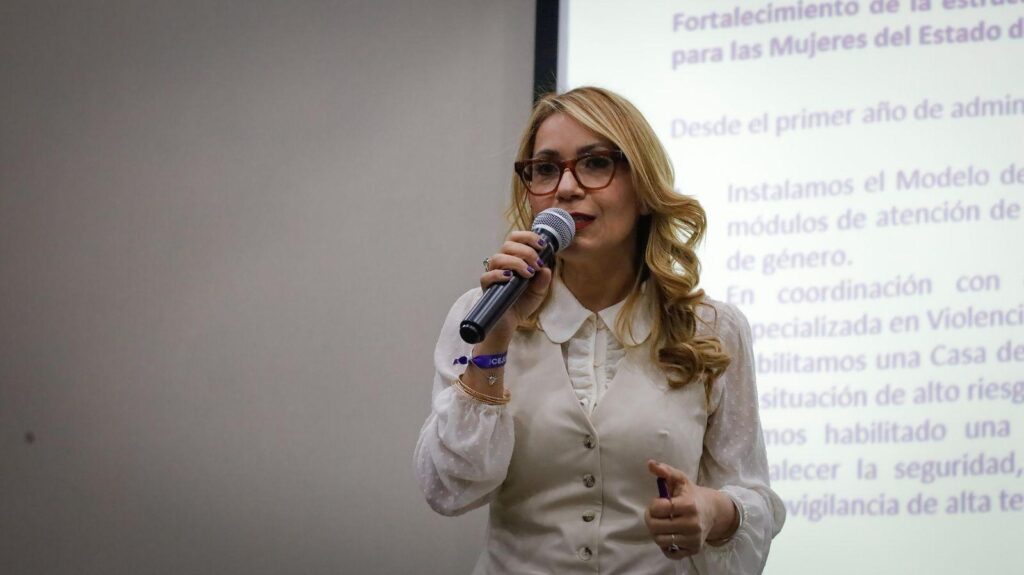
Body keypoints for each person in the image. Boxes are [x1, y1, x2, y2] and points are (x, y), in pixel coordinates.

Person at [414, 86, 785, 574]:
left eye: (594, 163)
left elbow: (753, 494)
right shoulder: (482, 313)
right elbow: (450, 489)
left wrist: (716, 511)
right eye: (546, 169)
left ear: (643, 188)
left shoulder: (713, 329)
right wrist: (495, 340)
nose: (566, 188)